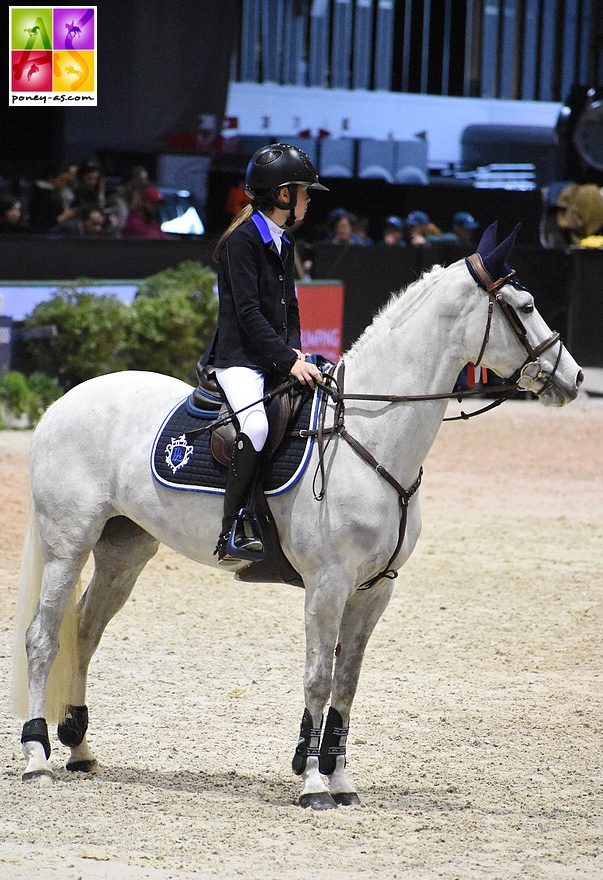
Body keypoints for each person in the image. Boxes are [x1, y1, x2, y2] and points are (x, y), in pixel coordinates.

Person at [200, 142, 328, 564]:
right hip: (238, 359)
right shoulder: (243, 241)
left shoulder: (282, 242)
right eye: (305, 192)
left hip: (271, 355)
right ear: (283, 196)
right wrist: (287, 360)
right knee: (254, 426)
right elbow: (249, 314)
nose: (310, 200)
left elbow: (290, 306)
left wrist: (297, 351)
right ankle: (231, 528)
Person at [27, 163, 76, 232]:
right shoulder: (41, 193)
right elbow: (40, 221)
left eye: (66, 181)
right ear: (51, 178)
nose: (63, 184)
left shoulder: (64, 191)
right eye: (61, 180)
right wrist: (62, 217)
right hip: (45, 230)